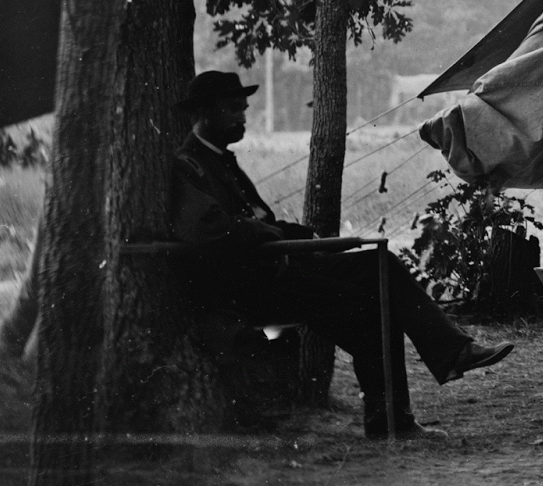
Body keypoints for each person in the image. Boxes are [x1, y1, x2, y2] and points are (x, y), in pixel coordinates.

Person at [171, 70, 512, 438]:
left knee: (379, 266)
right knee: (371, 306)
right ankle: (395, 417)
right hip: (246, 287)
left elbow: (259, 220)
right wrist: (267, 232)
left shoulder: (221, 160)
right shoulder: (189, 165)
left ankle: (448, 356)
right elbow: (208, 229)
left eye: (244, 108)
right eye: (232, 109)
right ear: (204, 113)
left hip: (276, 270)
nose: (242, 117)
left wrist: (305, 235)